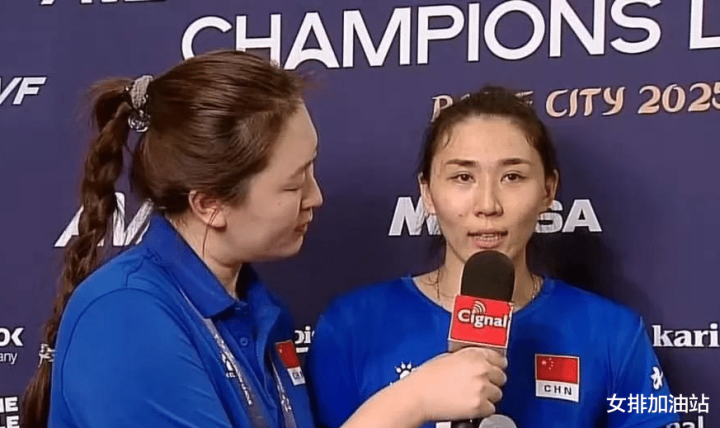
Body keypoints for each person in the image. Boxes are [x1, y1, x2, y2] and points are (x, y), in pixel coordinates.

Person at [20, 49, 510, 428]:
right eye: (294, 185)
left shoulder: (258, 310)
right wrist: (408, 403)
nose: (316, 197)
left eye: (312, 169)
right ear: (210, 204)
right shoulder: (125, 317)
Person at [304, 86, 681, 428]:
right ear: (428, 193)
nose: (487, 205)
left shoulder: (613, 333)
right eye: (463, 178)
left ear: (548, 190)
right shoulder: (351, 326)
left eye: (512, 177)